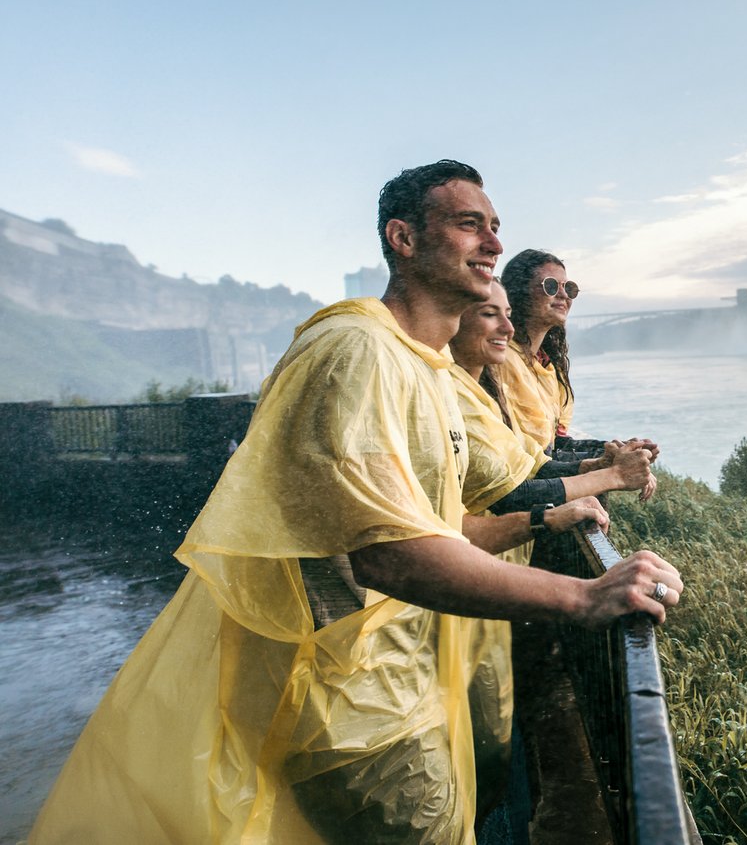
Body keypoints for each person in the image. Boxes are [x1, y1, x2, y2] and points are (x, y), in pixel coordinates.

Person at [29, 160, 683, 845]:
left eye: (495, 228)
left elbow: (443, 523)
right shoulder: (356, 351)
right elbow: (391, 556)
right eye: (469, 225)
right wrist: (581, 596)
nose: (492, 244)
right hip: (351, 704)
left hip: (406, 681)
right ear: (402, 239)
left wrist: (560, 506)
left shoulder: (421, 367)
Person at [447, 278, 654, 817]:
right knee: (474, 742)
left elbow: (533, 462)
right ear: (452, 317)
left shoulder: (482, 388)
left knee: (486, 732)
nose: (508, 328)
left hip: (488, 579)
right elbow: (511, 490)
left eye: (573, 287)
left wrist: (595, 466)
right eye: (550, 285)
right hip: (466, 589)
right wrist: (606, 477)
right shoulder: (455, 392)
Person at [498, 249, 659, 478]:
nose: (564, 295)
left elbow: (556, 446)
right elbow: (524, 463)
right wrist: (606, 464)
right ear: (519, 293)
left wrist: (620, 450)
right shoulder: (501, 361)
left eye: (569, 288)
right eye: (551, 286)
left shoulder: (548, 367)